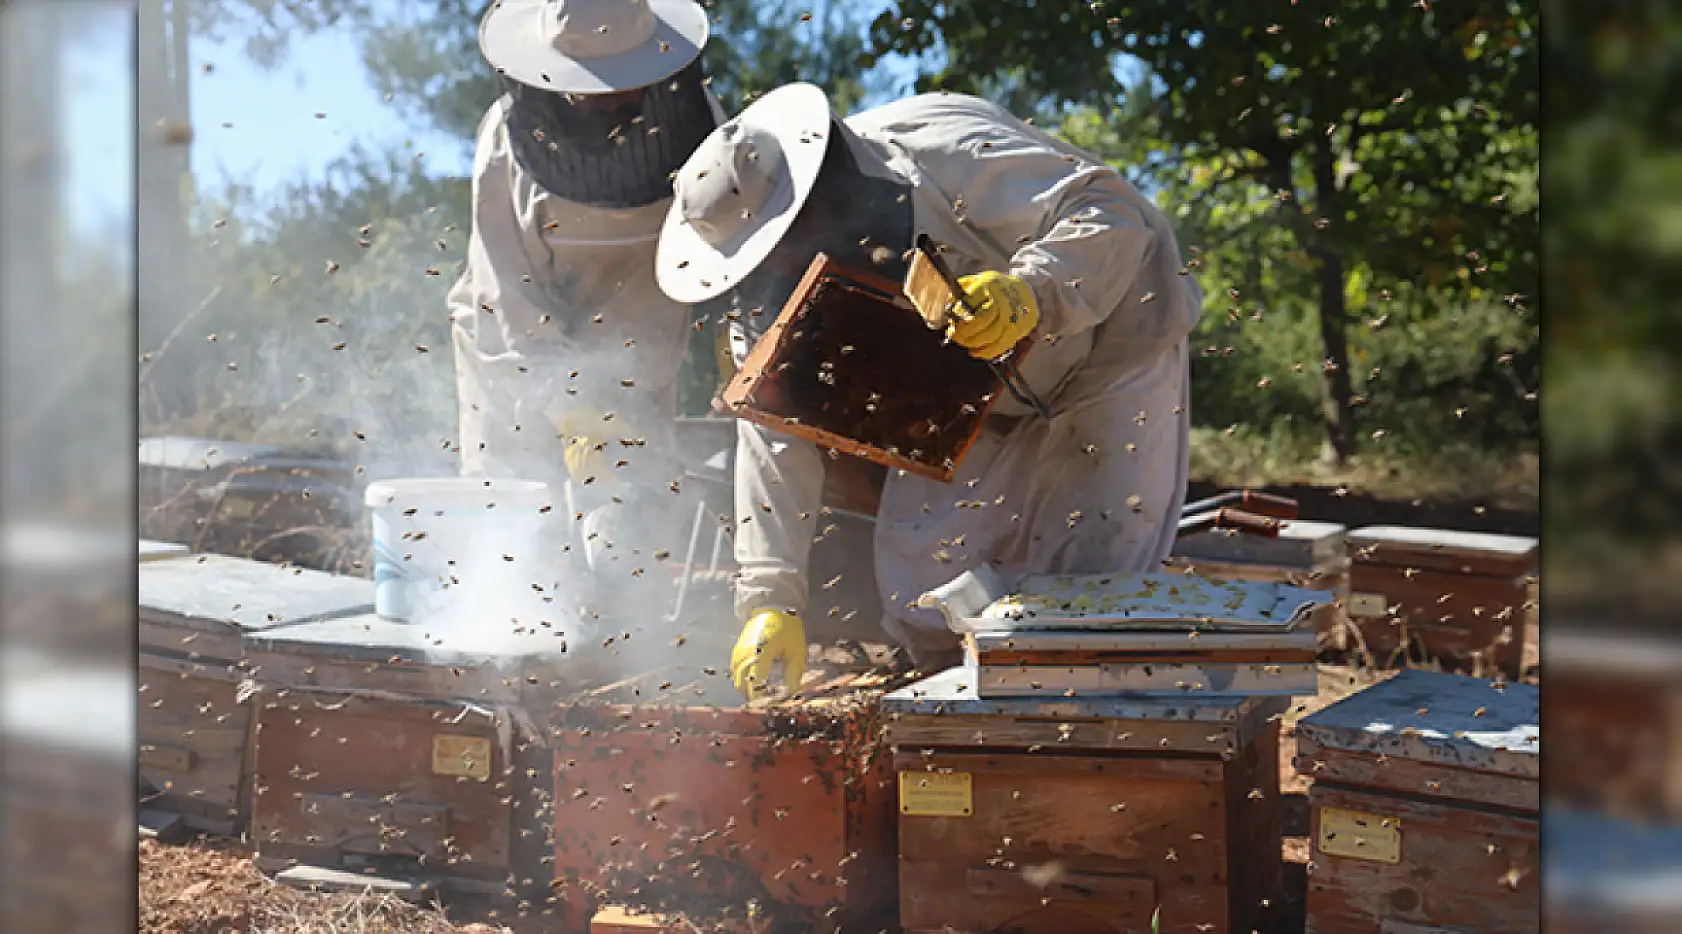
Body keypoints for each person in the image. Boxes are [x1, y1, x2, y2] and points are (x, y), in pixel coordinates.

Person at [654, 83, 1202, 698]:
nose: (783, 263)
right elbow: (773, 436)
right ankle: (952, 754)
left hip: (1110, 349)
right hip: (972, 397)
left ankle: (1083, 758)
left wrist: (1032, 291)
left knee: (1089, 587)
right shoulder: (762, 300)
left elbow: (1112, 210)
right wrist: (769, 598)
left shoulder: (941, 146)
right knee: (926, 592)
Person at [448, 0, 723, 623]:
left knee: (631, 556)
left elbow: (730, 243)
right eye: (588, 87)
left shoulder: (699, 121)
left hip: (640, 357)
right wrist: (569, 405)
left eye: (622, 84)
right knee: (520, 549)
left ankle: (632, 668)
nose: (604, 100)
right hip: (513, 358)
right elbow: (507, 300)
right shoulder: (505, 140)